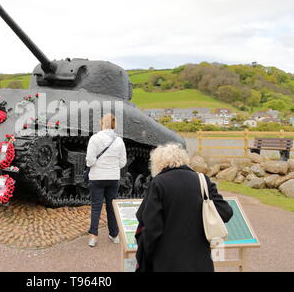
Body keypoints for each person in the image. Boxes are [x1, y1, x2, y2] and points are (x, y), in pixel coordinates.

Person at [135, 143, 233, 272]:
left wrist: (145, 253)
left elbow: (152, 226)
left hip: (167, 260)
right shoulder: (202, 180)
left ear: (158, 163)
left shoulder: (159, 183)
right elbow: (226, 212)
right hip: (199, 260)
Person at [86, 113, 127, 247]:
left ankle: (93, 237)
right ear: (114, 124)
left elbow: (90, 160)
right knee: (111, 207)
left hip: (97, 177)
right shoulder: (119, 141)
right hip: (113, 178)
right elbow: (122, 162)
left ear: (102, 123)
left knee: (96, 207)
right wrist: (112, 167)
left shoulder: (94, 139)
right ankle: (114, 235)